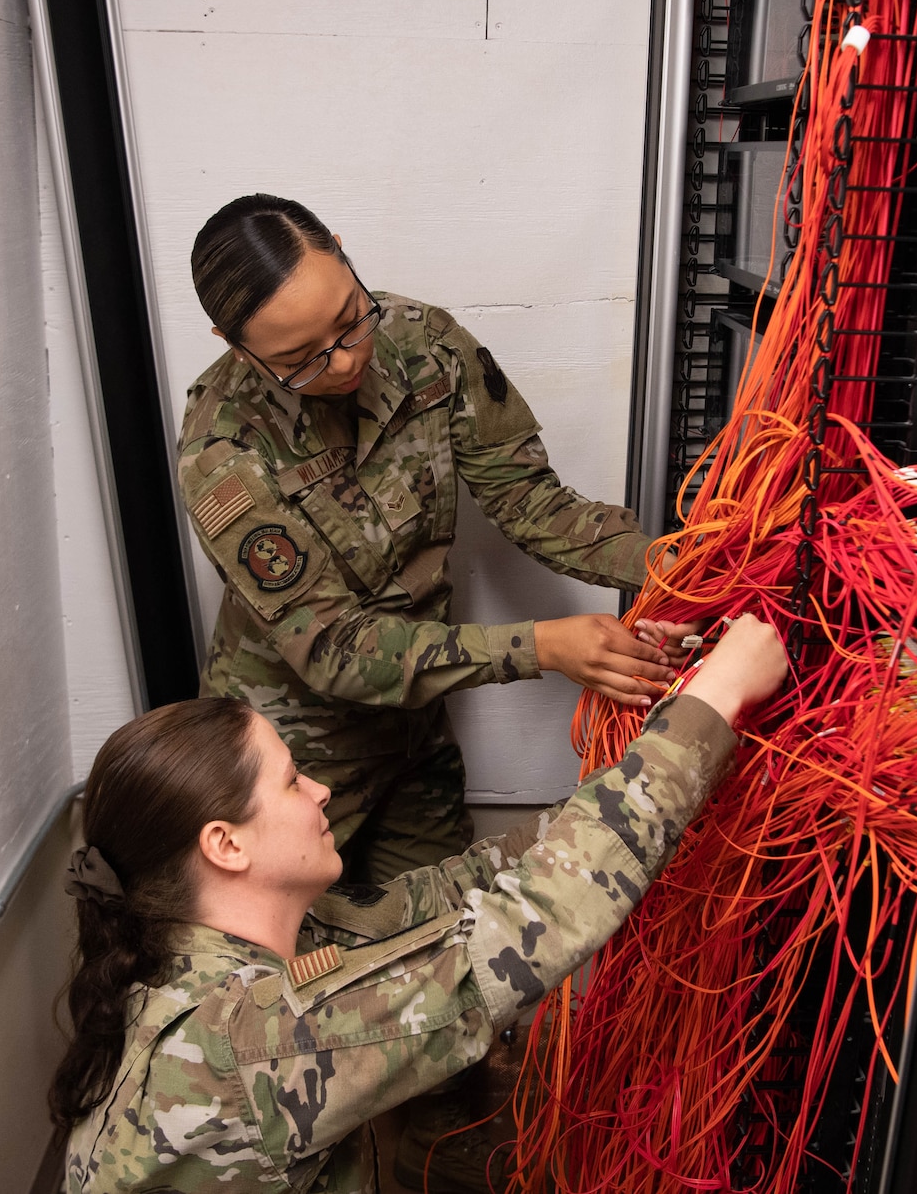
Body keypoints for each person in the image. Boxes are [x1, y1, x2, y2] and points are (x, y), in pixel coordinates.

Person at [52, 614, 788, 1194]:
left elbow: (458, 890)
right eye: (289, 781)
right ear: (225, 844)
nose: (320, 791)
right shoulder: (242, 1043)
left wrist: (660, 735)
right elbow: (523, 929)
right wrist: (714, 700)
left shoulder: (223, 939)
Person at [177, 193, 694, 889]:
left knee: (452, 945)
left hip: (415, 732)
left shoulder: (425, 343)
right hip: (290, 762)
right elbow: (332, 647)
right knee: (304, 980)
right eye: (300, 359)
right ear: (233, 343)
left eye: (349, 319)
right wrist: (540, 646)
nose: (341, 362)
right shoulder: (222, 450)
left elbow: (530, 500)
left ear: (339, 245)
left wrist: (683, 564)